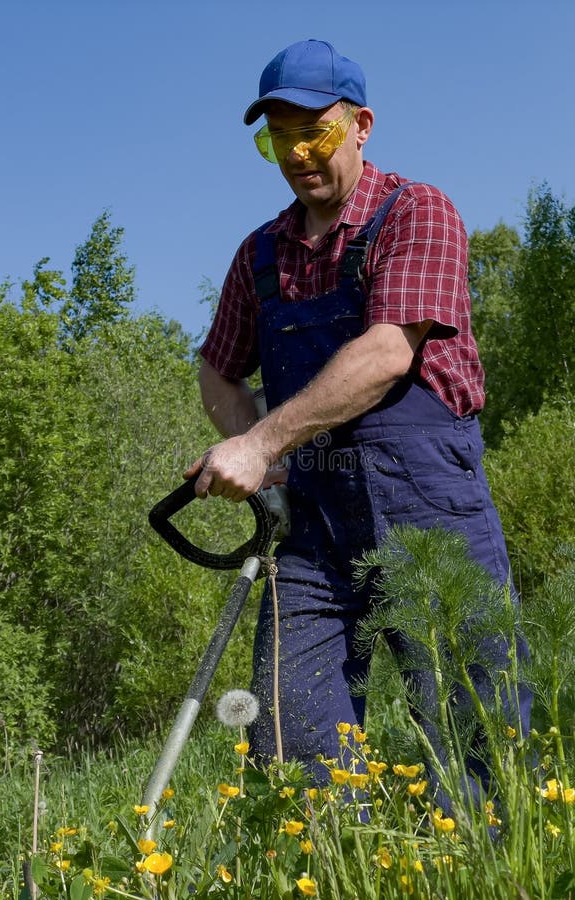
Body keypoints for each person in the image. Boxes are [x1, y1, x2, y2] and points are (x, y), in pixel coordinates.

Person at [186, 39, 531, 806]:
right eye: (279, 137)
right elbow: (217, 367)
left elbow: (385, 353)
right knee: (291, 741)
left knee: (477, 735)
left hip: (427, 511)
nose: (299, 153)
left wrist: (263, 439)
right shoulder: (259, 256)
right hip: (311, 530)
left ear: (362, 125)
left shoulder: (418, 212)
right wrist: (260, 459)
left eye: (317, 132)